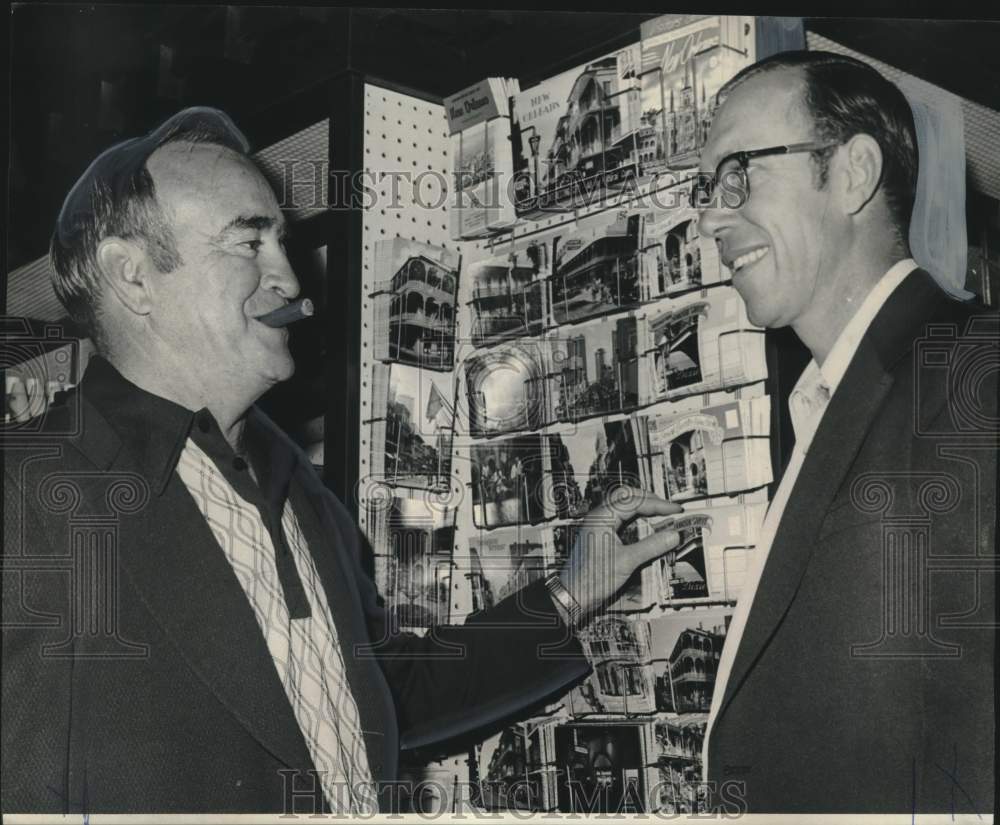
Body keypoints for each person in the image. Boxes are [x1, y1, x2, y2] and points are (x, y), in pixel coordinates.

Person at [1, 108, 681, 814]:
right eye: (249, 243)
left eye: (282, 242)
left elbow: (385, 696)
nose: (293, 282)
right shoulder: (27, 489)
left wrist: (568, 595)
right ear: (133, 277)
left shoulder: (298, 491)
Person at [694, 51, 996, 813]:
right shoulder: (829, 400)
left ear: (854, 173)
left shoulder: (971, 373)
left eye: (739, 172)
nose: (709, 217)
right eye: (707, 188)